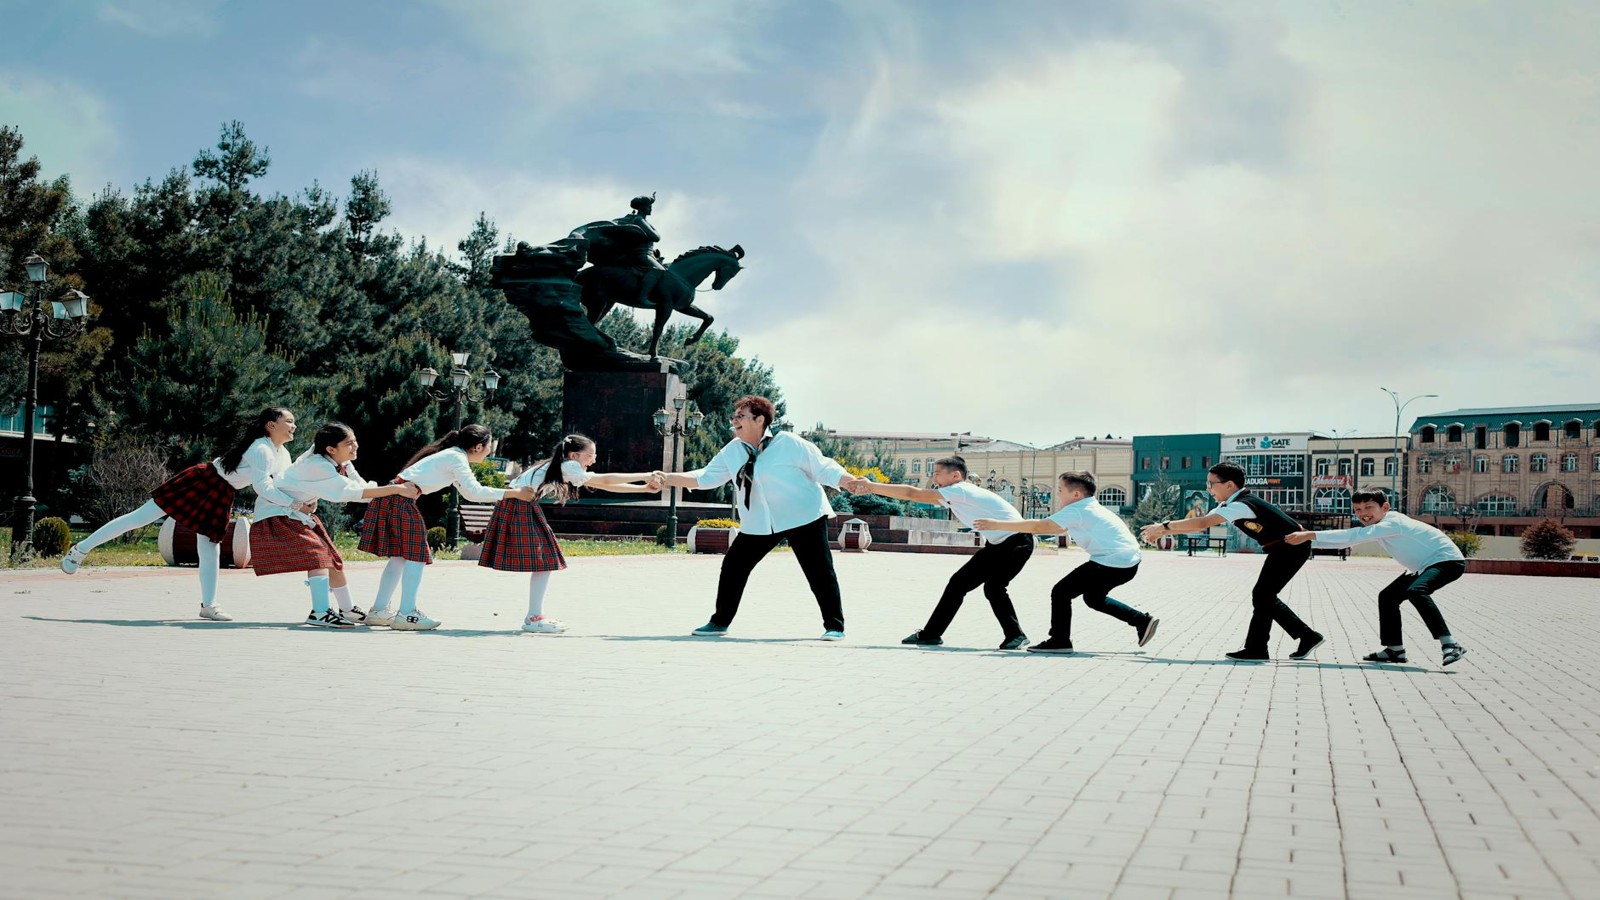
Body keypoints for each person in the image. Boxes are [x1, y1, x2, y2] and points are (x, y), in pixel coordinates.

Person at [653, 395, 869, 641]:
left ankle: (835, 626)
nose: (734, 420)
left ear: (760, 419)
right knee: (734, 566)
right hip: (760, 521)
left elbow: (824, 467)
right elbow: (705, 477)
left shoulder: (788, 443)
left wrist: (850, 481)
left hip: (804, 516)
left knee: (820, 571)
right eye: (734, 416)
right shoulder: (733, 450)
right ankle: (719, 622)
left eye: (741, 416)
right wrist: (667, 478)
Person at [59, 406, 303, 622]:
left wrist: (303, 499)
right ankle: (79, 551)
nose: (294, 426)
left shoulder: (283, 454)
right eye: (289, 421)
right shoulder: (262, 448)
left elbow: (285, 483)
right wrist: (294, 504)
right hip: (204, 480)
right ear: (271, 425)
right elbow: (262, 487)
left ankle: (208, 606)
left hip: (222, 491)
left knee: (210, 546)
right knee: (140, 518)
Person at [358, 424, 536, 631]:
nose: (489, 451)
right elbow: (475, 492)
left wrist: (510, 492)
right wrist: (514, 493)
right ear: (478, 447)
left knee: (400, 556)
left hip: (393, 499)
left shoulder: (452, 456)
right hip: (399, 500)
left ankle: (379, 611)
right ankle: (407, 613)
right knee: (416, 555)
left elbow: (470, 493)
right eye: (489, 447)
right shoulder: (456, 458)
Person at [1141, 462, 1324, 661]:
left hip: (1292, 548)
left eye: (1211, 484)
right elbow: (1199, 525)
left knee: (1263, 595)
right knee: (1263, 596)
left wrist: (1163, 526)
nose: (1208, 489)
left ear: (1229, 485)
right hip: (1285, 549)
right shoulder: (1233, 503)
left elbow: (1202, 523)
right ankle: (1266, 646)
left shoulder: (1241, 505)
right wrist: (1160, 530)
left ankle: (1295, 639)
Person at [847, 455, 1032, 650]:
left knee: (993, 588)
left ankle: (1016, 635)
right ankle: (931, 635)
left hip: (1017, 543)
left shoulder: (960, 490)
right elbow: (913, 493)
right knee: (958, 584)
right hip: (999, 545)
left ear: (955, 475)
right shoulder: (955, 493)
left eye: (937, 474)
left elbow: (912, 493)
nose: (934, 479)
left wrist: (871, 486)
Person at [479, 434, 659, 634]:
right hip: (519, 505)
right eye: (591, 455)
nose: (594, 460)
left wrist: (643, 488)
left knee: (545, 560)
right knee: (545, 560)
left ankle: (534, 615)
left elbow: (604, 483)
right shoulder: (569, 466)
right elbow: (605, 479)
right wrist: (644, 475)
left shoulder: (562, 465)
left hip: (519, 505)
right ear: (574, 455)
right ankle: (534, 617)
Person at [253, 422, 421, 627]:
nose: (355, 446)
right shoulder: (318, 465)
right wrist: (396, 489)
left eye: (354, 441)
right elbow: (351, 493)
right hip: (277, 514)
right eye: (349, 443)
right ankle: (320, 613)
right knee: (319, 558)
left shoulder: (341, 461)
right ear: (331, 449)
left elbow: (359, 487)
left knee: (333, 560)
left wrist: (394, 488)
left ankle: (348, 610)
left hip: (297, 514)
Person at [975, 471, 1157, 654]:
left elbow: (1039, 527)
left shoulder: (1078, 509)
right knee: (1094, 598)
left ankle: (1059, 640)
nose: (1058, 494)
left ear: (1076, 494)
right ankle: (1141, 621)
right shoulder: (1090, 508)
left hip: (1112, 561)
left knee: (1061, 592)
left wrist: (997, 524)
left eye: (1061, 490)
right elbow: (1056, 528)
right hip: (1128, 562)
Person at [1284, 488, 1468, 666]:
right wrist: (1308, 540)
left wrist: (1310, 535)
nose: (1363, 513)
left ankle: (1450, 644)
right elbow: (1350, 538)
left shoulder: (1392, 523)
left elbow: (1354, 535)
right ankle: (1395, 649)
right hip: (1423, 566)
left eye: (1369, 507)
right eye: (1358, 509)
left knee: (1417, 591)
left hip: (1447, 561)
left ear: (1385, 507)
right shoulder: (1380, 526)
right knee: (1388, 597)